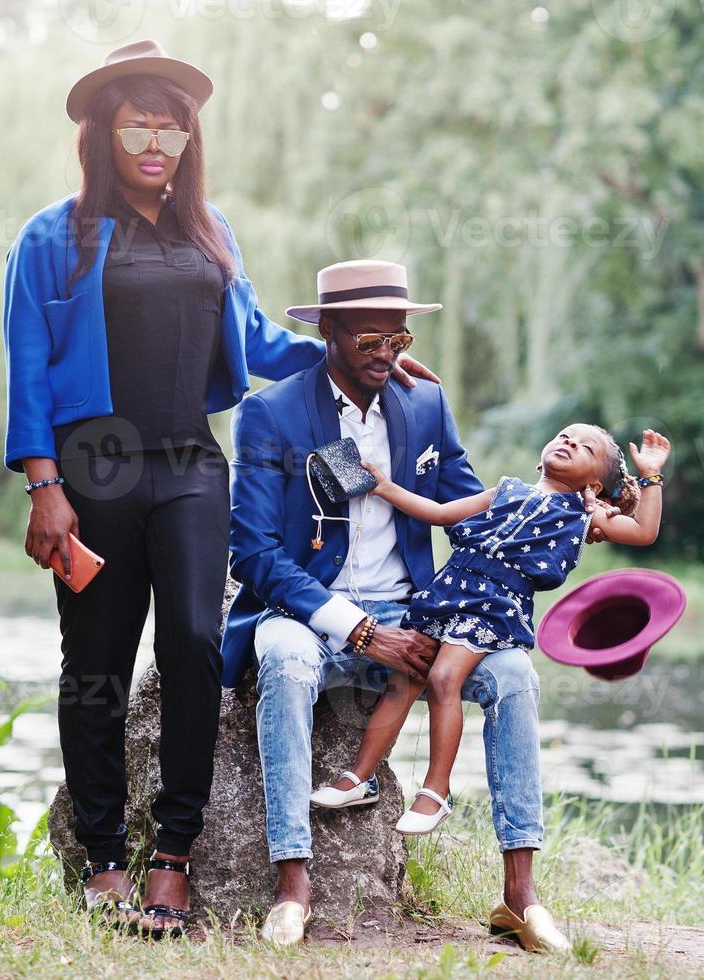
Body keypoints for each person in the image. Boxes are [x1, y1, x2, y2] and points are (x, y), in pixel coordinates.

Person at [1, 40, 436, 938]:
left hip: (193, 465)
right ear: (102, 132)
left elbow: (254, 346)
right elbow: (28, 369)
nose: (155, 141)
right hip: (95, 467)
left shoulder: (211, 232)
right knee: (96, 664)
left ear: (189, 136)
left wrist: (354, 351)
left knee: (197, 640)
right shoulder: (54, 236)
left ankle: (173, 855)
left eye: (172, 125)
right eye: (136, 124)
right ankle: (104, 860)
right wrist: (44, 484)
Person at [226, 259, 608, 952]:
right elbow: (253, 555)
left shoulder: (424, 404)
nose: (387, 356)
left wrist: (560, 510)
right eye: (368, 342)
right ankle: (292, 885)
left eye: (397, 341)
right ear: (330, 333)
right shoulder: (270, 413)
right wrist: (363, 632)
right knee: (281, 662)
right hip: (314, 615)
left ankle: (519, 896)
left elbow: (466, 517)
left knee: (515, 676)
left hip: (423, 614)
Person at [311, 426, 669, 849]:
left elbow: (644, 532)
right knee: (404, 677)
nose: (569, 442)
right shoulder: (505, 490)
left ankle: (436, 791)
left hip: (495, 605)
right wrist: (386, 488)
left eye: (584, 447)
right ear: (543, 453)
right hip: (448, 591)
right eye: (564, 435)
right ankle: (361, 776)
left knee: (445, 678)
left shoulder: (585, 516)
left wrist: (650, 477)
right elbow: (441, 513)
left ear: (594, 483)